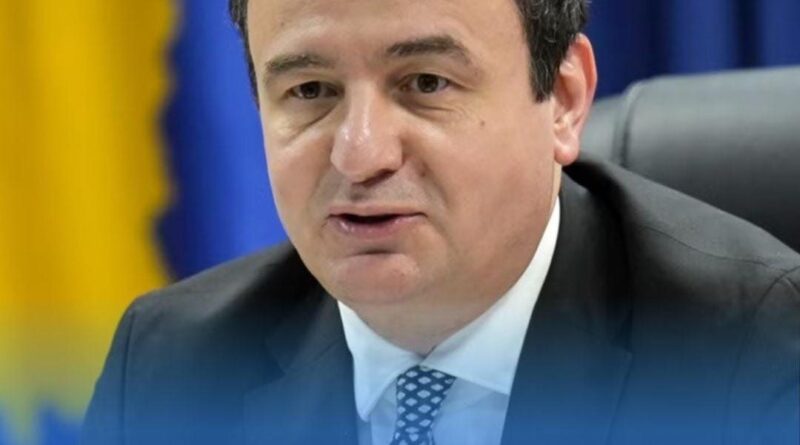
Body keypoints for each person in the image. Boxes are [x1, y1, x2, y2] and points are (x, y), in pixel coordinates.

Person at [82, 0, 800, 444]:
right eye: (310, 90)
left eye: (425, 83)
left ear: (563, 100)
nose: (360, 153)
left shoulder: (749, 350)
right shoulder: (173, 365)